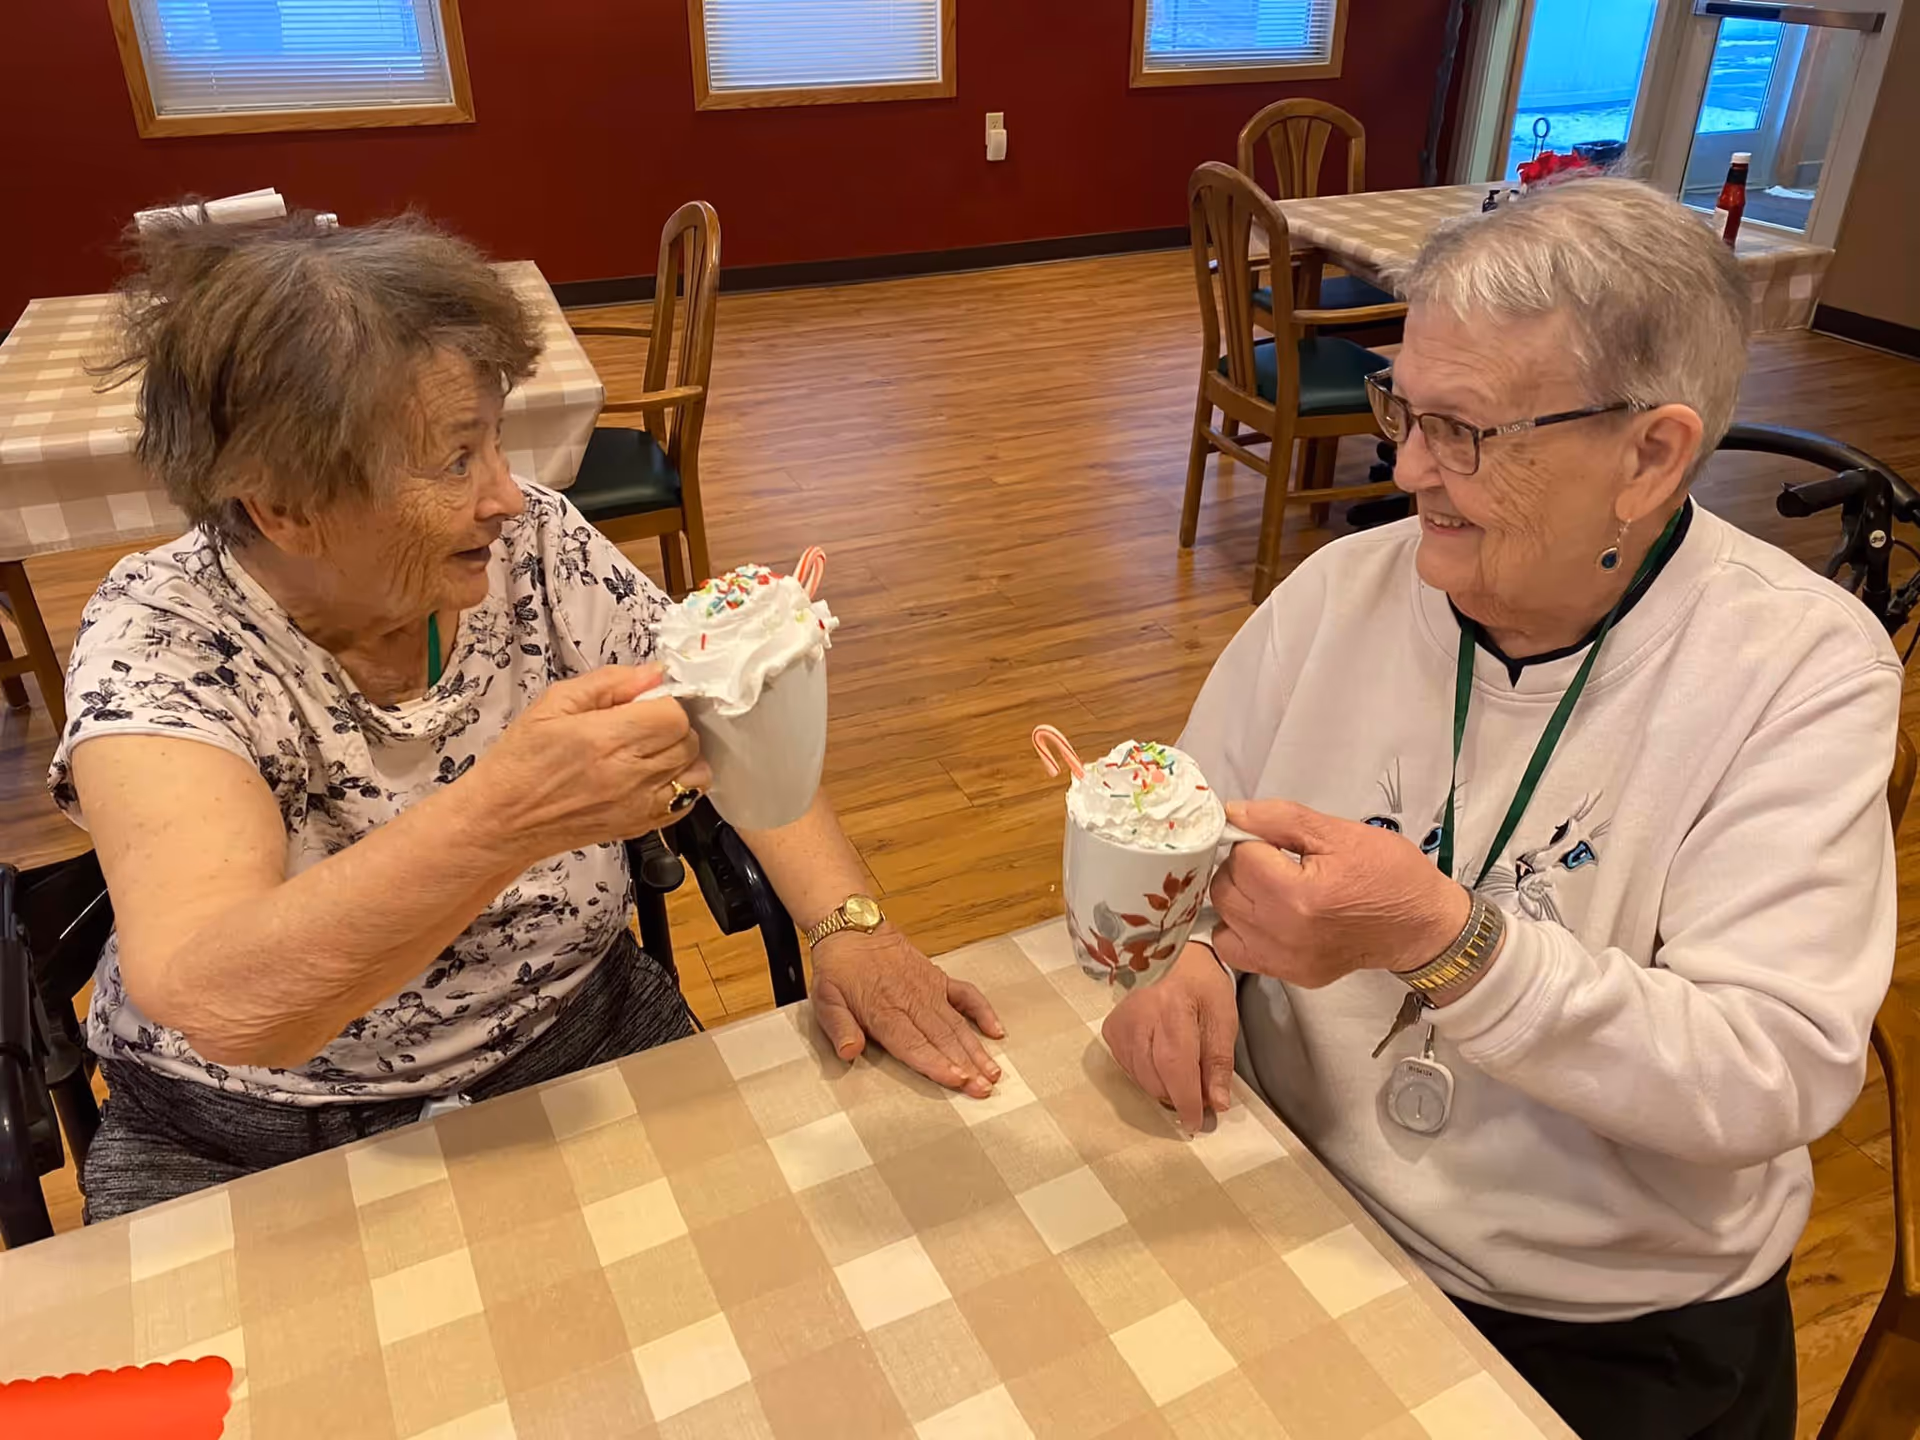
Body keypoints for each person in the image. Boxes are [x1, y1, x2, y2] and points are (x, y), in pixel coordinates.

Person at [1103, 178, 1898, 1440]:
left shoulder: (1801, 670)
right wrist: (1181, 955)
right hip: (1296, 1200)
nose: (1407, 468)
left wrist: (1448, 944)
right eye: (1402, 411)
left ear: (1651, 455)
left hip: (1601, 1322)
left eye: (1465, 432)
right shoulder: (1341, 592)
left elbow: (1773, 1072)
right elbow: (1185, 828)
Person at [54, 212, 1002, 1222]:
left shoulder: (535, 545)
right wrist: (508, 814)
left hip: (577, 1041)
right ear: (283, 505)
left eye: (496, 440)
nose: (509, 495)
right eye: (455, 459)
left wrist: (849, 925)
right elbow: (225, 1000)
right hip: (251, 1139)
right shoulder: (163, 638)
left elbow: (724, 720)